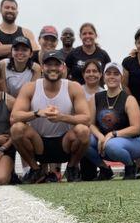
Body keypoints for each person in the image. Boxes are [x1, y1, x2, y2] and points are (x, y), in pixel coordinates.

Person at [10, 50, 91, 183]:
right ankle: (35, 169)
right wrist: (37, 113)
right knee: (16, 129)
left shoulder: (73, 87)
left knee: (83, 130)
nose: (53, 68)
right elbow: (14, 117)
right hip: (39, 143)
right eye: (49, 64)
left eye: (57, 64)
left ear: (63, 67)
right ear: (42, 67)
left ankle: (71, 168)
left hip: (64, 143)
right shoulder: (30, 87)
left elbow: (86, 119)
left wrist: (62, 117)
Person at [85, 62, 140, 180]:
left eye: (116, 74)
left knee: (111, 145)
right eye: (109, 73)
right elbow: (90, 124)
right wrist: (101, 136)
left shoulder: (129, 99)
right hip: (104, 141)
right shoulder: (95, 98)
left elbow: (136, 128)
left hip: (130, 142)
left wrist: (112, 135)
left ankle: (130, 167)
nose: (112, 76)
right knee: (83, 140)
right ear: (104, 76)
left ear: (121, 77)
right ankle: (104, 169)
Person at [0, 0, 39, 64]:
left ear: (17, 12)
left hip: (20, 73)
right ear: (0, 10)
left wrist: (2, 49)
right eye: (7, 7)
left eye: (13, 8)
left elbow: (35, 52)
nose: (10, 10)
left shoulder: (26, 33)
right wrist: (23, 48)